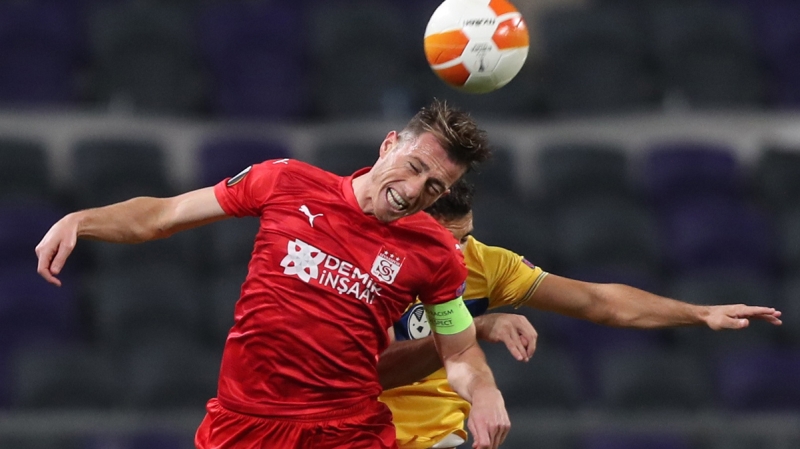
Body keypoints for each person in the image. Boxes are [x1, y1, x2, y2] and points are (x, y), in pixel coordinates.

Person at [35, 100, 512, 449]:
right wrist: (81, 220)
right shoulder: (285, 182)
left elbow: (458, 350)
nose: (412, 191)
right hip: (244, 422)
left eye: (433, 186)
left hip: (346, 431)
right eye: (413, 168)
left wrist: (484, 389)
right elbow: (163, 215)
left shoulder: (436, 253)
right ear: (389, 144)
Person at [377, 179, 783, 449]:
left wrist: (702, 313)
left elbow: (598, 301)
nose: (457, 255)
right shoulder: (364, 267)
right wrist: (476, 327)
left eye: (464, 239)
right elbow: (377, 369)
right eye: (443, 242)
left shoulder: (486, 265)